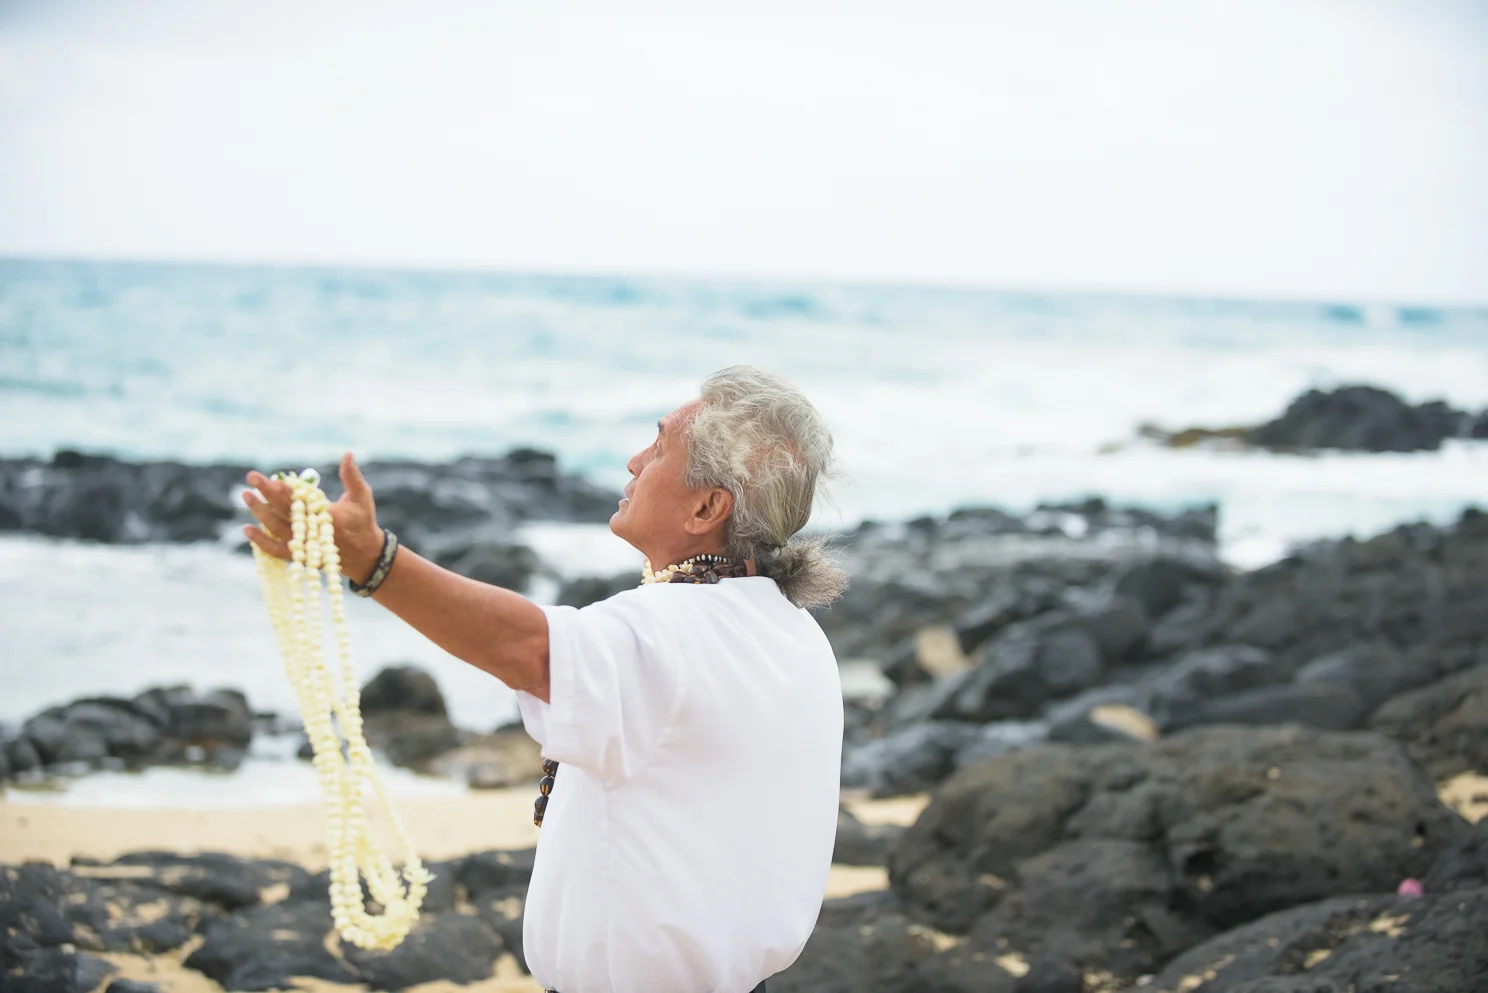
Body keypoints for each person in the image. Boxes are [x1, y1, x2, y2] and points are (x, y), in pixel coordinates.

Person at [242, 365, 847, 993]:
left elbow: (531, 650)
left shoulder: (674, 628)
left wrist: (372, 560)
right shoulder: (795, 632)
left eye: (661, 447)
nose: (637, 461)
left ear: (707, 507)